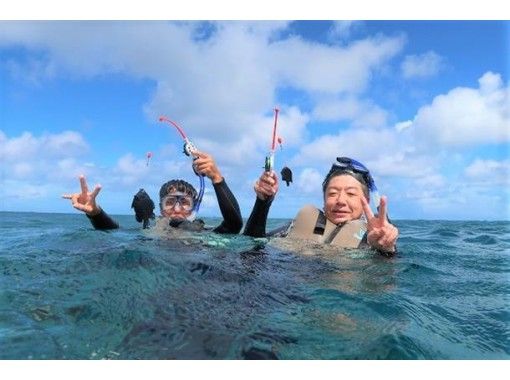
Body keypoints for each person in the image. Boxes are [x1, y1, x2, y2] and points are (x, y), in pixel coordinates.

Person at [243, 156, 398, 255]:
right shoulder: (299, 225)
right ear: (324, 200)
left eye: (350, 194)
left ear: (366, 201)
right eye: (332, 193)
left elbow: (384, 285)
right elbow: (252, 242)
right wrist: (262, 202)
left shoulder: (372, 238)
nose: (340, 200)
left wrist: (386, 251)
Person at [62, 151, 243, 235]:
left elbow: (234, 225)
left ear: (194, 207)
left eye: (185, 202)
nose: (177, 208)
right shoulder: (151, 230)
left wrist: (217, 179)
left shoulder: (203, 233)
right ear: (161, 207)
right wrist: (95, 213)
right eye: (170, 202)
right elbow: (115, 232)